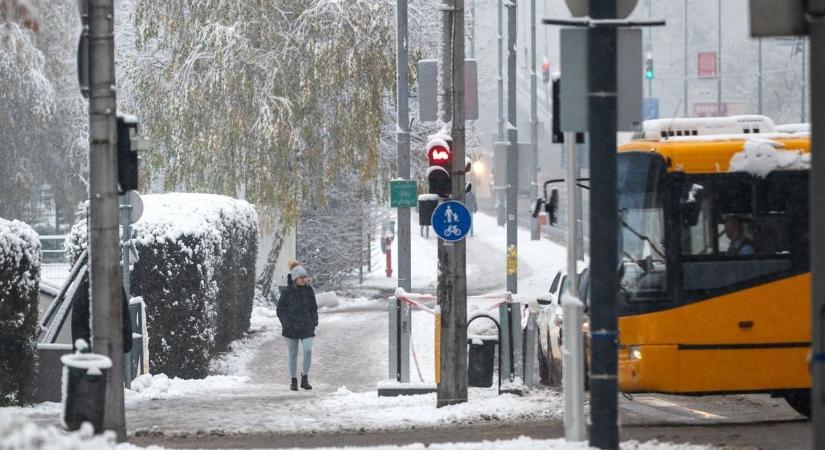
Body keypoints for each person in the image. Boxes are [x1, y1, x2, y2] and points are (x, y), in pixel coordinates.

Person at [276, 260, 318, 391]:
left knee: (308, 350)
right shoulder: (286, 292)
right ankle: (293, 380)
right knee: (293, 353)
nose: (305, 279)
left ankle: (304, 379)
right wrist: (286, 323)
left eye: (305, 277)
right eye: (302, 277)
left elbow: (313, 308)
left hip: (307, 327)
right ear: (295, 279)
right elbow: (280, 310)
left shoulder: (309, 290)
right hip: (291, 328)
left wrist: (313, 322)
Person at [71, 267, 133, 354]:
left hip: (90, 355)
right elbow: (125, 320)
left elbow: (77, 327)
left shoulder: (83, 291)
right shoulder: (117, 289)